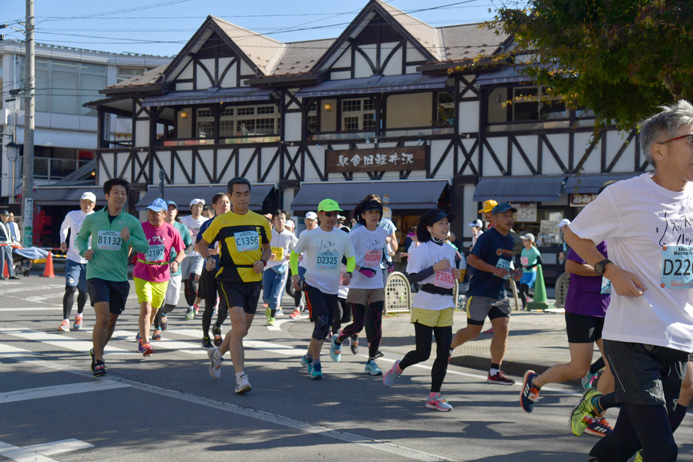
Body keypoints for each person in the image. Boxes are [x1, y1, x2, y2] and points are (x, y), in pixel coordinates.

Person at [564, 100, 693, 462]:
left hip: (678, 336)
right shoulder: (624, 195)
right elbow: (575, 235)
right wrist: (610, 269)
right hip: (633, 337)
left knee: (625, 443)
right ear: (660, 150)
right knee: (662, 449)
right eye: (692, 140)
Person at [519, 239, 615, 438]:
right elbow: (570, 265)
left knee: (615, 367)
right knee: (580, 369)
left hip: (609, 309)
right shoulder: (591, 234)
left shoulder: (621, 238)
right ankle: (535, 382)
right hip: (582, 309)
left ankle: (594, 417)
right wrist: (604, 269)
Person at [382, 208, 460, 412]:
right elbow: (412, 278)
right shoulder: (421, 249)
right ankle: (398, 367)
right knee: (423, 353)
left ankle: (434, 396)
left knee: (444, 353)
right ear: (429, 228)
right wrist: (435, 268)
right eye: (441, 223)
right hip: (426, 303)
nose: (446, 227)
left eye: (447, 223)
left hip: (446, 305)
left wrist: (455, 273)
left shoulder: (451, 250)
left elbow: (448, 276)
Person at [201, 177, 271, 394]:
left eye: (246, 194)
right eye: (238, 194)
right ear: (230, 197)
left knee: (242, 330)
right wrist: (208, 258)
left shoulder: (260, 221)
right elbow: (202, 244)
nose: (243, 198)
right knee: (239, 328)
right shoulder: (220, 222)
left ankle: (217, 355)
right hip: (230, 277)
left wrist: (263, 260)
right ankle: (241, 378)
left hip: (254, 279)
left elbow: (267, 248)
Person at [77, 178, 148, 377]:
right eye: (116, 193)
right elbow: (81, 238)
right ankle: (99, 360)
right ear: (107, 196)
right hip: (97, 274)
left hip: (118, 278)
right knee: (103, 316)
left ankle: (96, 350)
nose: (120, 197)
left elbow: (144, 247)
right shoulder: (92, 219)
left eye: (123, 193)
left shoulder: (132, 222)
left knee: (111, 320)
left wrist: (130, 239)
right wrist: (85, 251)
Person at [450, 202, 522, 385]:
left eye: (510, 216)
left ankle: (494, 372)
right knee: (473, 332)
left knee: (503, 330)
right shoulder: (487, 237)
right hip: (480, 291)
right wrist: (493, 270)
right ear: (494, 218)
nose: (508, 219)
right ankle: (448, 350)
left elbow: (505, 265)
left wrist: (513, 274)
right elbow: (472, 259)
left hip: (499, 293)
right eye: (504, 216)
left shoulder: (510, 240)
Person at [291, 199, 355, 380]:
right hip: (313, 285)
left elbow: (351, 258)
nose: (332, 217)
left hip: (332, 288)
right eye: (328, 214)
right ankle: (316, 364)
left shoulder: (343, 236)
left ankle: (308, 356)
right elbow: (294, 255)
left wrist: (349, 272)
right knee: (321, 321)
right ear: (319, 215)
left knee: (325, 325)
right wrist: (295, 275)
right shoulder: (310, 236)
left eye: (335, 214)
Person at [331, 199, 389, 375]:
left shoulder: (382, 232)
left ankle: (371, 361)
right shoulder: (356, 234)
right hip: (358, 284)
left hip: (376, 283)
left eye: (377, 212)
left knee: (377, 324)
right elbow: (342, 255)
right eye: (370, 212)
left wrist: (387, 261)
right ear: (362, 215)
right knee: (358, 325)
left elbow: (381, 252)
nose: (374, 215)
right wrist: (359, 269)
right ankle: (339, 338)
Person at [133, 198, 185, 356]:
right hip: (142, 271)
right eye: (149, 212)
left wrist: (176, 261)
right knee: (146, 307)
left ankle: (143, 333)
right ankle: (145, 341)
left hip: (162, 274)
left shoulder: (172, 231)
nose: (152, 216)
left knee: (154, 311)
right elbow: (129, 244)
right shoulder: (141, 228)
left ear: (164, 214)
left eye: (156, 213)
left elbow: (181, 251)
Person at [153, 201, 193, 339]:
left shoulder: (181, 228)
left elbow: (189, 246)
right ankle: (157, 328)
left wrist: (179, 259)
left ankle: (164, 313)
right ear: (163, 213)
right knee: (159, 300)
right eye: (168, 209)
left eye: (173, 209)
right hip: (158, 269)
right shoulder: (156, 227)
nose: (170, 212)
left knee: (172, 302)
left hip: (175, 269)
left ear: (176, 213)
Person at [196, 193, 231, 348]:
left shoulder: (234, 224)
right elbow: (198, 245)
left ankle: (217, 327)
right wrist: (208, 257)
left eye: (228, 202)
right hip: (210, 270)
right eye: (222, 202)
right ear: (215, 206)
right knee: (209, 306)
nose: (225, 205)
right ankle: (205, 336)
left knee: (226, 305)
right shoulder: (208, 224)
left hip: (227, 271)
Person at [57, 192, 96, 331]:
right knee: (71, 288)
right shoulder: (72, 215)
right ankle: (65, 320)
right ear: (80, 202)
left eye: (90, 203)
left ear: (94, 205)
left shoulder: (97, 218)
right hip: (73, 258)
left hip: (89, 261)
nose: (87, 205)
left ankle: (79, 315)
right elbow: (64, 228)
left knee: (84, 291)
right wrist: (63, 241)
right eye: (84, 202)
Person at [263, 210, 297, 325]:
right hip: (268, 268)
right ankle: (269, 307)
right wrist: (267, 254)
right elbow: (260, 249)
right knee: (266, 296)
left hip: (282, 268)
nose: (281, 221)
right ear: (273, 221)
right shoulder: (268, 234)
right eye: (278, 219)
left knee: (275, 295)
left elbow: (297, 251)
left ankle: (272, 317)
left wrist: (290, 256)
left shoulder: (289, 235)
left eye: (283, 219)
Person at [179, 198, 209, 320]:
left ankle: (192, 306)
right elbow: (176, 234)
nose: (199, 209)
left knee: (193, 280)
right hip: (186, 254)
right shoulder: (184, 220)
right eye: (196, 206)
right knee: (188, 284)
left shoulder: (206, 222)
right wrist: (185, 234)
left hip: (199, 255)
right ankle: (190, 305)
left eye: (201, 206)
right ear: (191, 208)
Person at [288, 211, 318, 319]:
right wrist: (300, 255)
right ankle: (297, 308)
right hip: (303, 264)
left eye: (311, 220)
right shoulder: (303, 233)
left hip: (315, 267)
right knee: (298, 285)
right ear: (305, 221)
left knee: (310, 288)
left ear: (315, 221)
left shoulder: (320, 233)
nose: (309, 222)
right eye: (307, 220)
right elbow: (298, 249)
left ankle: (311, 307)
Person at [517, 233, 542, 309]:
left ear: (531, 241)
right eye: (523, 240)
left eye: (525, 240)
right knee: (526, 292)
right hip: (524, 272)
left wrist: (531, 266)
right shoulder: (523, 250)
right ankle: (539, 299)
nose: (523, 242)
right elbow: (523, 261)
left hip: (531, 273)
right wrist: (520, 265)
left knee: (521, 290)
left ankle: (524, 306)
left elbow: (540, 262)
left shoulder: (534, 251)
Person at [0, 211, 19, 280]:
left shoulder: (8, 224)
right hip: (1, 244)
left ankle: (11, 274)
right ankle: (0, 274)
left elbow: (9, 234)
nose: (6, 217)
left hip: (8, 244)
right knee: (1, 260)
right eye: (5, 216)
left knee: (10, 260)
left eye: (7, 216)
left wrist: (12, 241)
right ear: (1, 216)